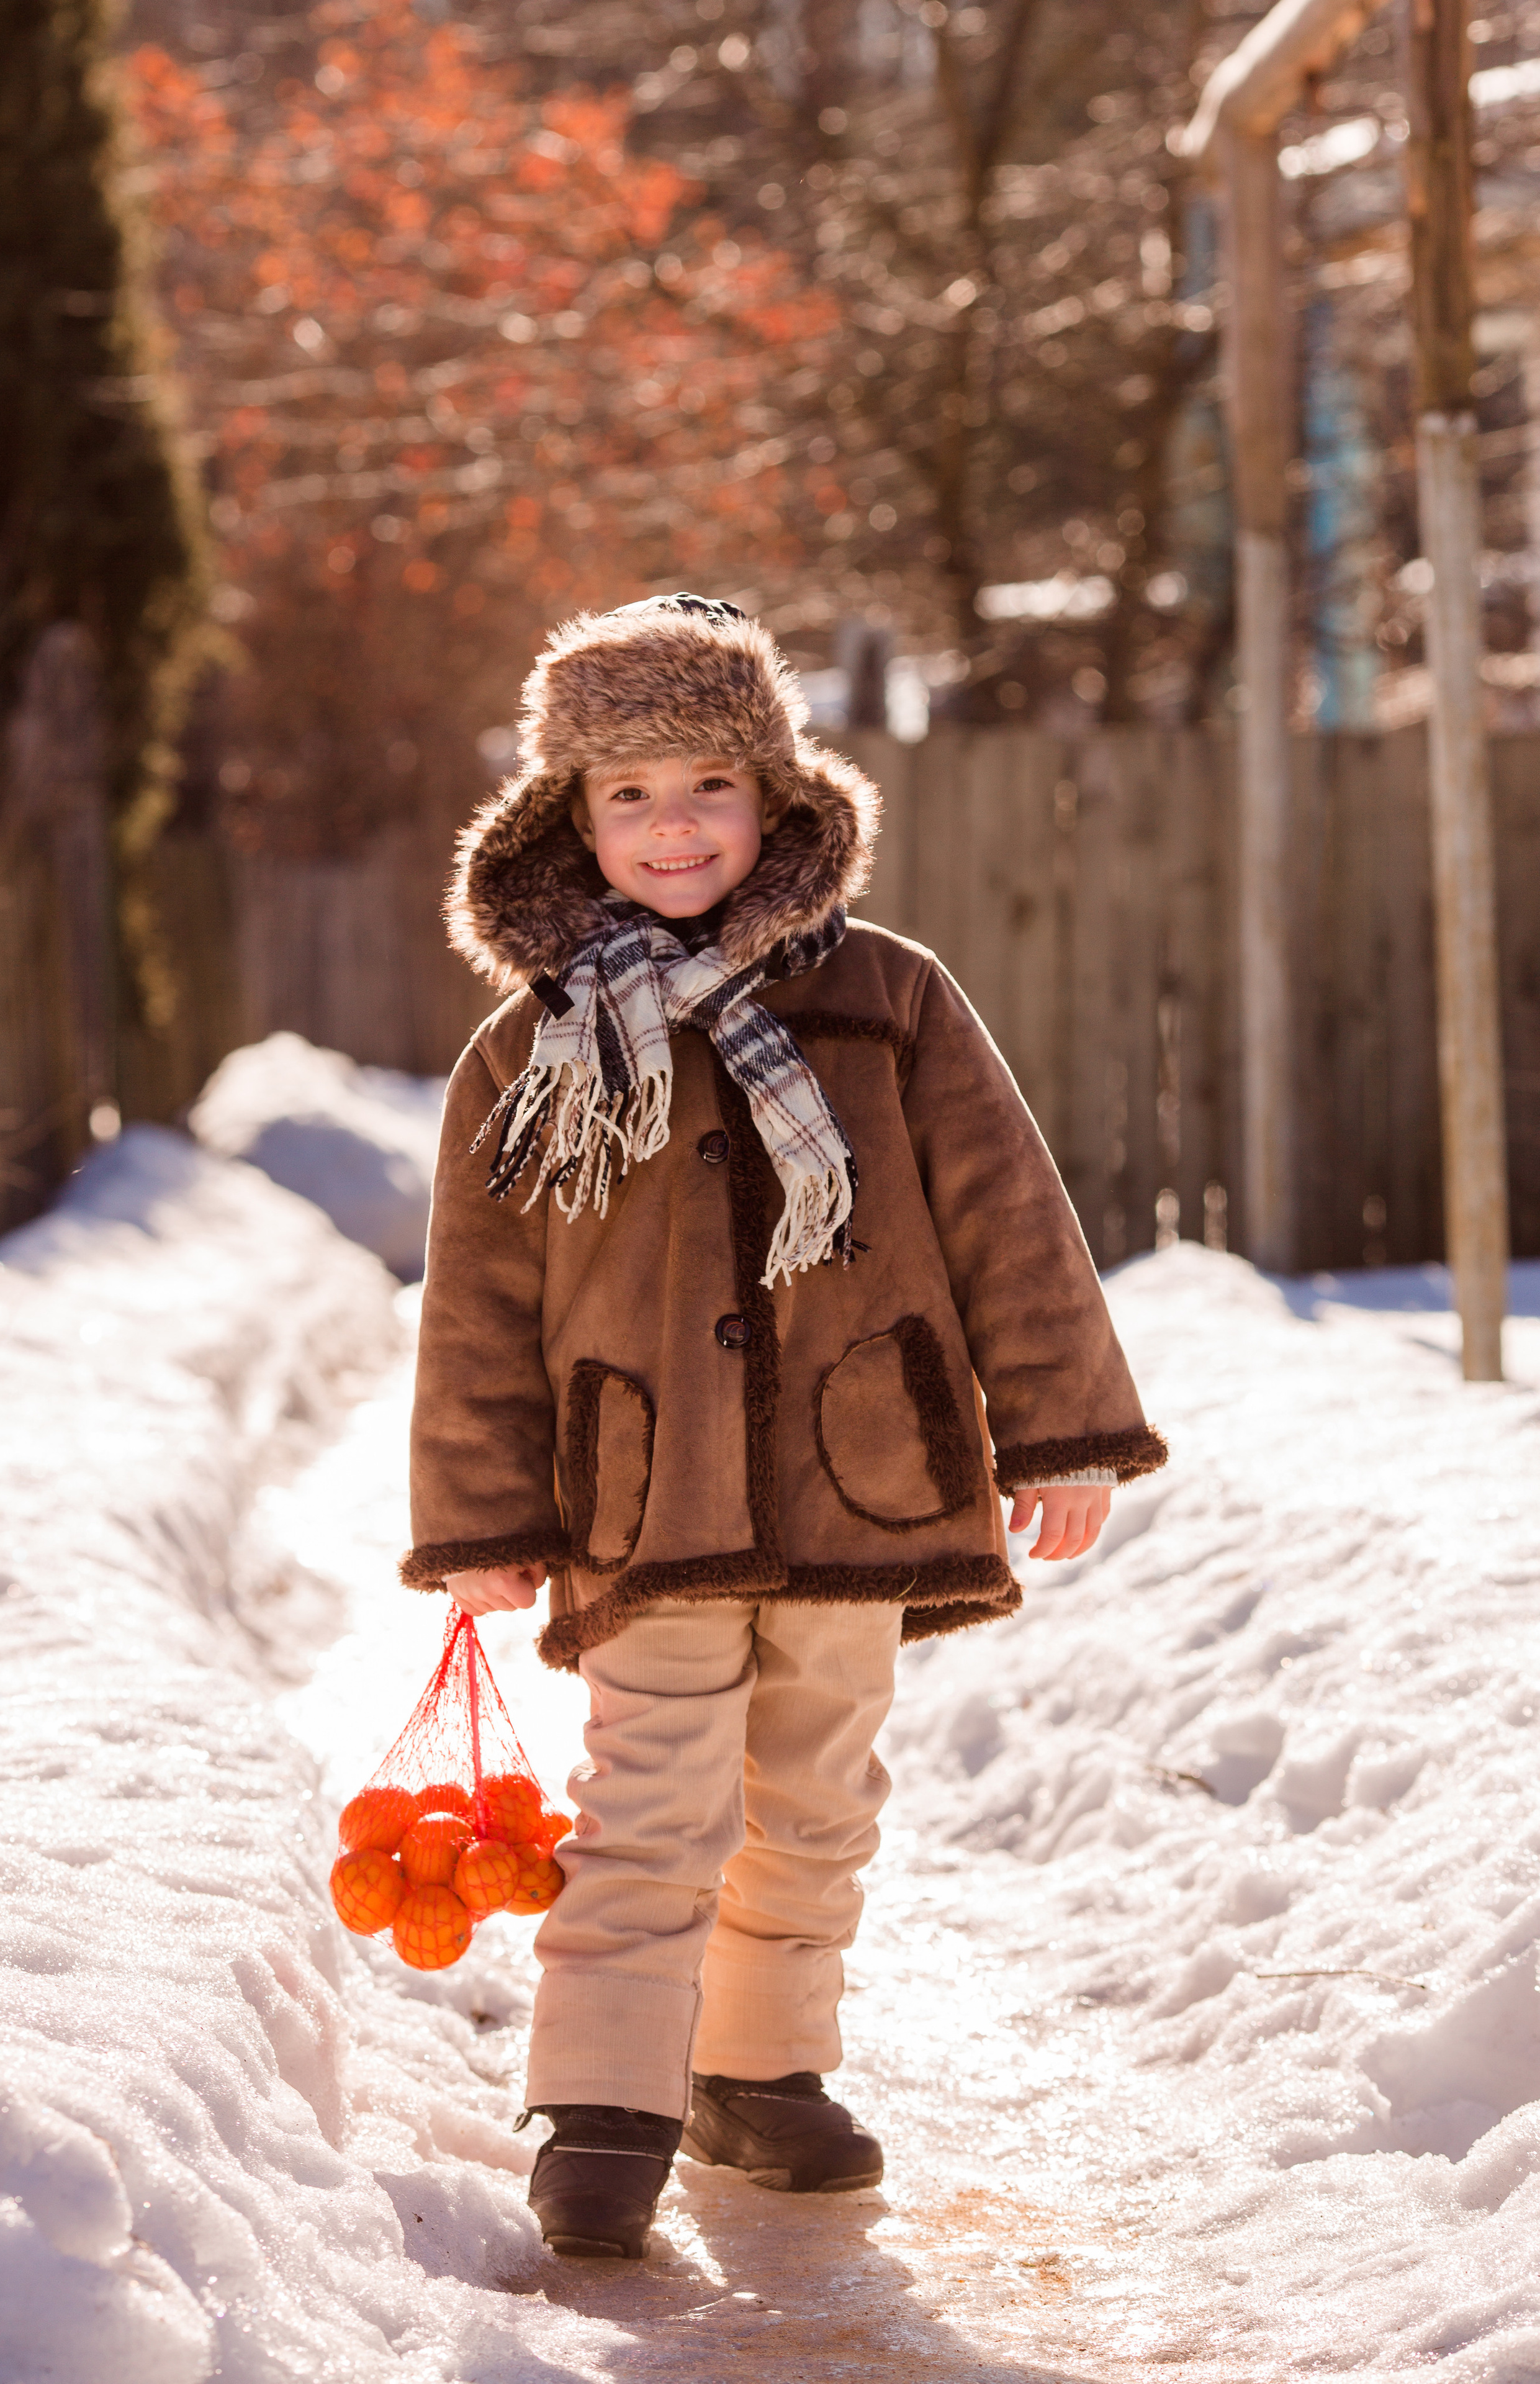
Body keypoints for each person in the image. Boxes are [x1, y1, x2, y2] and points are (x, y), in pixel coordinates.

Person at [402, 593, 1166, 2260]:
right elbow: (474, 1315)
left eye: (708, 790)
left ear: (779, 798)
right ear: (566, 820)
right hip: (640, 1489)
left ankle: (760, 2074)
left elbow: (1008, 1223)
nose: (673, 830)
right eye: (628, 797)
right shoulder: (532, 1050)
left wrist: (1059, 1430)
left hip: (860, 1472)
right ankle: (605, 2103)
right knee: (655, 1795)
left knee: (817, 1793)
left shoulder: (889, 1002)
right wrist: (480, 1527)